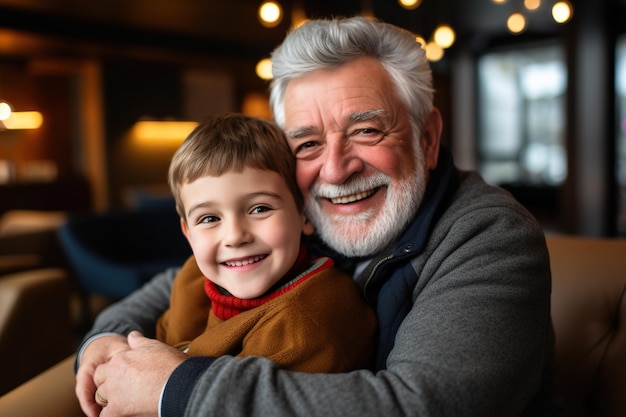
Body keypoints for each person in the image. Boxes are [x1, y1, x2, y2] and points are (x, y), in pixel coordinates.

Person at [75, 16, 556, 417]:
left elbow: (421, 405)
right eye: (307, 143)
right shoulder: (304, 216)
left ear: (426, 138)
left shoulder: (491, 235)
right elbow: (174, 284)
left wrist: (176, 388)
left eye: (366, 130)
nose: (335, 168)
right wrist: (103, 340)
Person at [156, 113, 375, 372]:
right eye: (210, 218)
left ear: (304, 214)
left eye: (259, 209)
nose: (235, 236)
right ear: (188, 233)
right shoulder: (193, 278)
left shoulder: (307, 324)